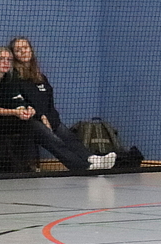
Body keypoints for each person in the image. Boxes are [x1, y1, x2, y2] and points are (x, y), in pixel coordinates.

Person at [9, 37, 115, 172]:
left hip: (47, 118)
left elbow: (49, 103)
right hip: (28, 121)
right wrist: (41, 117)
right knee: (54, 140)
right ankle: (82, 167)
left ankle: (92, 158)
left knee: (66, 134)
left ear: (31, 50)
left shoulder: (40, 77)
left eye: (25, 48)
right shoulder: (14, 77)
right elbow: (22, 102)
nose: (23, 52)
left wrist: (51, 119)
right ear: (14, 55)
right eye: (18, 50)